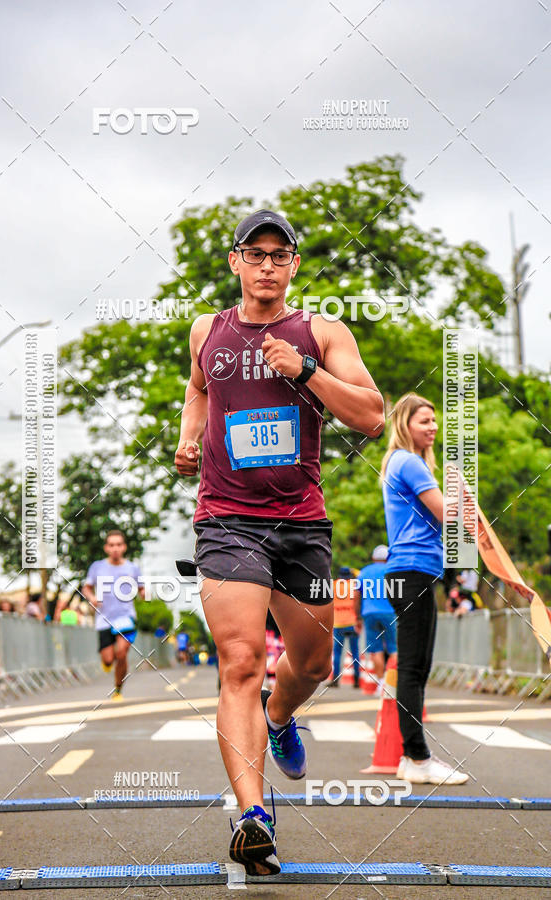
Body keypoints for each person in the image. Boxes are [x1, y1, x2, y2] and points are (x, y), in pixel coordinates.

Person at [175, 209, 384, 875]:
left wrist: (305, 371)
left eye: (279, 255)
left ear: (294, 265)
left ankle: (280, 714)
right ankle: (253, 816)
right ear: (235, 261)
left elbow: (373, 417)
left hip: (301, 524)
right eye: (254, 253)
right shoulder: (206, 330)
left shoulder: (322, 332)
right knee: (239, 661)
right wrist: (188, 438)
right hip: (226, 519)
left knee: (315, 661)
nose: (266, 265)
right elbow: (198, 390)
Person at [381, 393, 468, 785]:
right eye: (424, 421)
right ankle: (417, 758)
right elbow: (448, 514)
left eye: (434, 420)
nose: (433, 427)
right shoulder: (408, 462)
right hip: (411, 571)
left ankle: (411, 758)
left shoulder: (404, 462)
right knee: (413, 669)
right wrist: (465, 505)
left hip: (415, 572)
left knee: (416, 668)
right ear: (405, 424)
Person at [82, 530, 144, 700]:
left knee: (121, 653)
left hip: (125, 617)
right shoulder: (97, 567)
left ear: (124, 547)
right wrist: (92, 597)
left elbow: (142, 588)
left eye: (118, 544)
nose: (115, 548)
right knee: (108, 659)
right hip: (104, 619)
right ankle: (108, 663)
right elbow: (86, 587)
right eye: (111, 545)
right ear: (106, 548)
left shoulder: (132, 568)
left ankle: (118, 688)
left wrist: (144, 593)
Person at [352, 546, 397, 694]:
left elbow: (356, 596)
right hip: (389, 613)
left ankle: (381, 683)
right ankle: (394, 683)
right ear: (388, 558)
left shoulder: (364, 572)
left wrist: (357, 617)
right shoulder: (393, 570)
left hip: (369, 613)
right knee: (394, 648)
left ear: (373, 558)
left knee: (376, 649)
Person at [328, 566, 360, 688]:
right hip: (352, 623)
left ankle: (335, 680)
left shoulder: (333, 585)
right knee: (355, 652)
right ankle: (356, 680)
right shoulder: (355, 585)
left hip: (338, 623)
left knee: (337, 653)